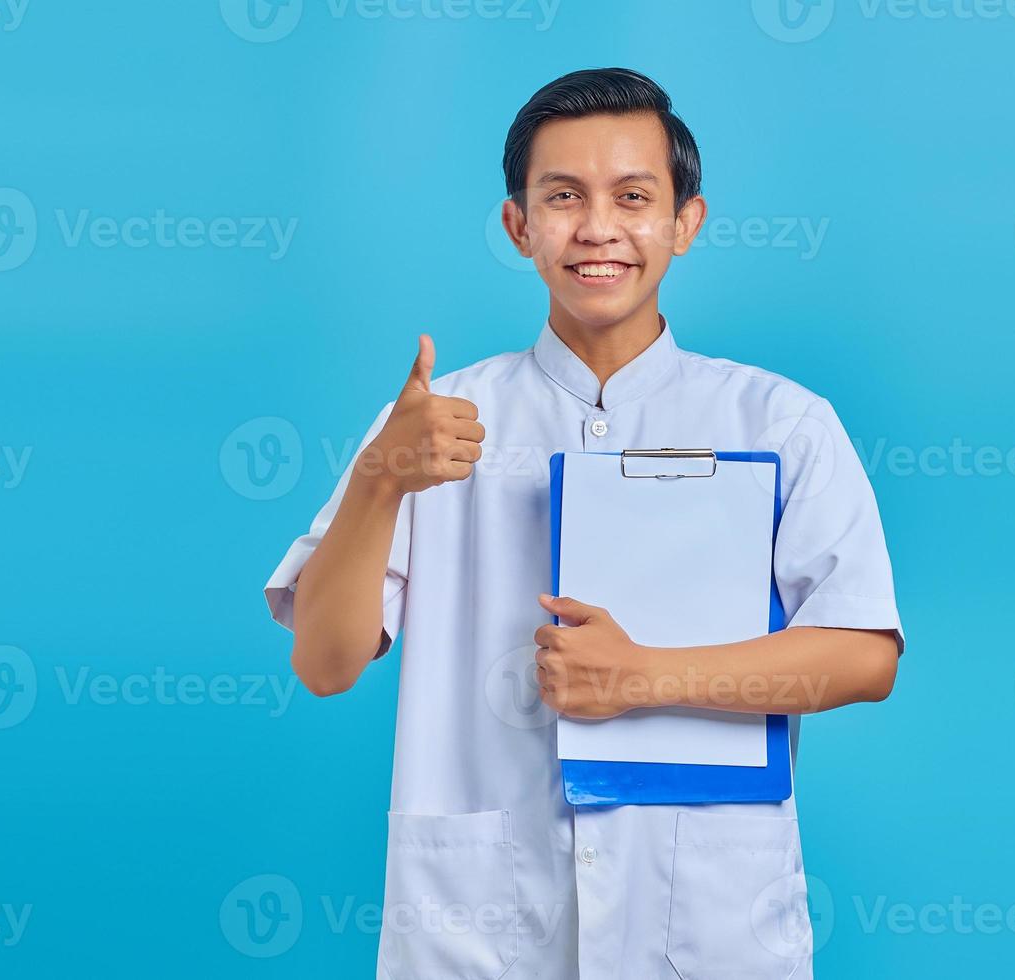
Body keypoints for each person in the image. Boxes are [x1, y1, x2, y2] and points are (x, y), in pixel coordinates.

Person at [264, 66, 903, 979]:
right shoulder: (434, 420)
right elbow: (324, 665)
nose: (597, 228)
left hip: (709, 930)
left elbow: (864, 655)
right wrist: (377, 485)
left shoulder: (781, 423)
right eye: (562, 197)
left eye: (633, 197)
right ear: (519, 225)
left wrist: (647, 678)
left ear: (686, 221)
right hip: (481, 934)